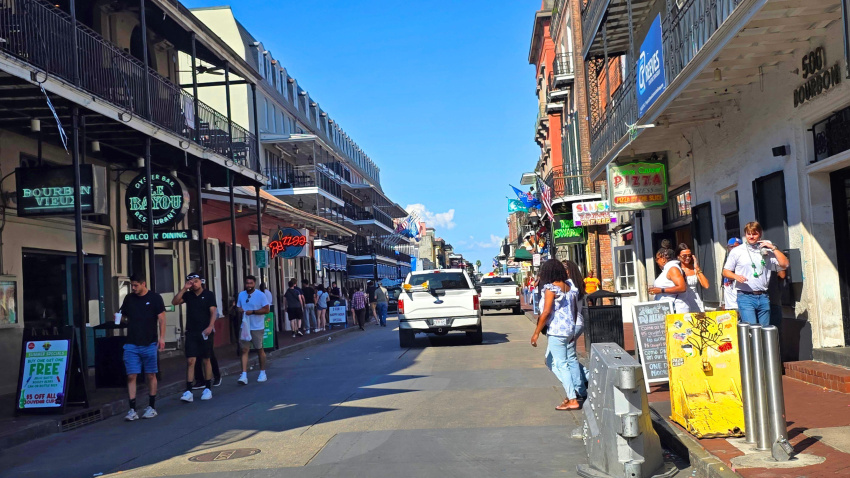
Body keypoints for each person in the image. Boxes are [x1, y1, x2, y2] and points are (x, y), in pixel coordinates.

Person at [530, 259, 585, 411]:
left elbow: (546, 312)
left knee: (561, 364)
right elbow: (574, 310)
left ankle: (572, 398)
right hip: (568, 330)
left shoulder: (551, 288)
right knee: (550, 360)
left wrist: (536, 333)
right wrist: (573, 329)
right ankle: (571, 391)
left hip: (557, 331)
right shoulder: (569, 286)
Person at [118, 274, 165, 421]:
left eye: (135, 285)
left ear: (143, 284)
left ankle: (151, 406)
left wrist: (162, 338)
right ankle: (132, 409)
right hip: (131, 343)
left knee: (151, 374)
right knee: (131, 375)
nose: (133, 288)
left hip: (149, 342)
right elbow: (123, 315)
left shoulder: (155, 298)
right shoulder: (129, 298)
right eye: (132, 285)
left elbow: (162, 319)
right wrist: (120, 318)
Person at [722, 222, 789, 326]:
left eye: (754, 234)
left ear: (760, 234)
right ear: (745, 235)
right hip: (745, 296)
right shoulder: (737, 251)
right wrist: (736, 276)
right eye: (749, 234)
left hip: (763, 296)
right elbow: (725, 271)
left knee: (765, 329)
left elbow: (785, 264)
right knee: (752, 328)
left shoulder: (767, 250)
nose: (751, 237)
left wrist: (773, 248)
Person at [172, 272, 216, 403]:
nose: (194, 284)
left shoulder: (208, 295)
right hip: (191, 331)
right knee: (191, 360)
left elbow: (213, 311)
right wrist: (184, 288)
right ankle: (188, 390)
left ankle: (207, 387)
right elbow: (174, 302)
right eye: (191, 282)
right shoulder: (188, 295)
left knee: (206, 359)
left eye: (196, 281)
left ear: (201, 281)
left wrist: (210, 326)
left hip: (205, 331)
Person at [236, 275, 270, 384]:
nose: (248, 285)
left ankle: (262, 372)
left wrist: (254, 312)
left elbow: (266, 309)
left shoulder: (261, 295)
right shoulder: (241, 295)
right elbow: (237, 306)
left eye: (251, 283)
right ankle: (244, 374)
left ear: (254, 284)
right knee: (244, 349)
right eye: (247, 283)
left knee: (259, 349)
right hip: (245, 326)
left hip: (257, 326)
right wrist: (239, 309)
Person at [648, 248, 700, 313]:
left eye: (657, 259)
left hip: (676, 309)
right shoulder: (667, 269)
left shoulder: (673, 268)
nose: (656, 262)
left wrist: (661, 290)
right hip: (667, 308)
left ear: (663, 259)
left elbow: (682, 287)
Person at [677, 243, 708, 312]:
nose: (687, 258)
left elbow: (706, 285)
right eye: (684, 256)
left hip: (695, 300)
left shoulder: (694, 268)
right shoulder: (676, 269)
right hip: (682, 301)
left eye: (689, 255)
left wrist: (697, 268)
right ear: (678, 256)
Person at [722, 238, 742, 310]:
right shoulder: (727, 262)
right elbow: (723, 283)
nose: (733, 249)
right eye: (731, 247)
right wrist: (723, 302)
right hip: (729, 305)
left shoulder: (742, 262)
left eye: (735, 247)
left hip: (740, 304)